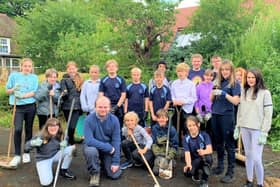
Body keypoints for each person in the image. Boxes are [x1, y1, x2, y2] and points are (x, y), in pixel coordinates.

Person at [234, 69, 273, 187]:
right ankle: (249, 180)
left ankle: (260, 184)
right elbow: (240, 110)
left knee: (256, 158)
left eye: (253, 77)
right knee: (249, 156)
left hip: (257, 130)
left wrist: (264, 132)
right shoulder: (244, 91)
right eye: (248, 77)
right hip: (245, 127)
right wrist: (238, 126)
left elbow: (268, 113)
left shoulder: (265, 93)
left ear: (258, 78)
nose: (250, 80)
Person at [210, 60, 241, 183]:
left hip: (227, 117)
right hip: (215, 114)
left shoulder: (235, 84)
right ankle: (220, 166)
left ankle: (230, 172)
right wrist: (213, 92)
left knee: (229, 145)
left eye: (227, 70)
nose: (224, 72)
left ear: (231, 70)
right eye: (222, 70)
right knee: (218, 143)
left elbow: (236, 101)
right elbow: (211, 99)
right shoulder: (218, 82)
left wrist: (224, 94)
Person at [6, 58, 38, 167]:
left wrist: (22, 95)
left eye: (29, 66)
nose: (27, 68)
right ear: (21, 66)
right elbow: (7, 90)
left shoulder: (34, 77)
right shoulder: (14, 76)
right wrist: (14, 89)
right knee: (18, 129)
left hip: (30, 106)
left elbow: (34, 92)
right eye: (25, 66)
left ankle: (26, 152)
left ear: (31, 67)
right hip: (18, 107)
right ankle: (17, 155)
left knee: (28, 129)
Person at [25, 118, 76, 186]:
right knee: (46, 183)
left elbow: (69, 147)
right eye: (51, 126)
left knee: (72, 149)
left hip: (56, 155)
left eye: (55, 126)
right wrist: (32, 143)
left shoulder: (62, 135)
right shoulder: (40, 135)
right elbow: (26, 146)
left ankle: (63, 170)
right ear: (47, 127)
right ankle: (46, 171)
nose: (53, 128)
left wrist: (65, 143)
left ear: (59, 127)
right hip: (43, 159)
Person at [83, 96, 122, 187]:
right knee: (90, 151)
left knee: (114, 175)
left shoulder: (114, 120)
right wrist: (108, 147)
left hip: (107, 150)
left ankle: (104, 164)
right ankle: (95, 173)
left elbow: (116, 141)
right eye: (100, 107)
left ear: (109, 107)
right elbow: (89, 140)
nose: (103, 109)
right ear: (95, 107)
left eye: (105, 107)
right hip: (95, 147)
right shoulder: (88, 120)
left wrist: (116, 162)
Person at [183, 116, 213, 187]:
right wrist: (188, 164)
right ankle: (196, 172)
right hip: (194, 160)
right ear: (187, 127)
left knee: (208, 158)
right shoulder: (186, 138)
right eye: (189, 126)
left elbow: (210, 150)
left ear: (198, 124)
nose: (192, 127)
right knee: (188, 173)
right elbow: (187, 153)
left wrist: (203, 152)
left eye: (194, 125)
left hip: (203, 158)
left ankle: (204, 180)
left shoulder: (204, 135)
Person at [170, 63, 197, 143]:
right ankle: (176, 145)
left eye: (182, 71)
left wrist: (183, 102)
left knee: (186, 128)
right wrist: (174, 100)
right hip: (176, 108)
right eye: (178, 71)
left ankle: (186, 145)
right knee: (175, 127)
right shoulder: (174, 83)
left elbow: (193, 98)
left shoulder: (191, 84)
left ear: (186, 73)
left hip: (186, 110)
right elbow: (172, 95)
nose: (180, 73)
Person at [60, 61, 84, 145]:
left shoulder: (81, 79)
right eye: (70, 69)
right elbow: (63, 89)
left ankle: (70, 141)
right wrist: (64, 93)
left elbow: (83, 92)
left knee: (72, 126)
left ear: (76, 69)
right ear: (67, 70)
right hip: (67, 107)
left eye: (73, 68)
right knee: (69, 125)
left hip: (77, 106)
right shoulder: (64, 79)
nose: (71, 70)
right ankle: (71, 142)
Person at [99, 59, 126, 128]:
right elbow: (101, 94)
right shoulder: (103, 80)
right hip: (107, 107)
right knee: (106, 126)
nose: (111, 68)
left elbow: (123, 95)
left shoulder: (121, 79)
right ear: (107, 69)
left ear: (117, 68)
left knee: (118, 126)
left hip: (118, 107)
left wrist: (117, 106)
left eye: (113, 66)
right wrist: (105, 106)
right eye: (109, 67)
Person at [151, 109, 178, 176]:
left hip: (168, 153)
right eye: (159, 118)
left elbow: (175, 146)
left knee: (173, 165)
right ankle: (158, 162)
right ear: (157, 119)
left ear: (167, 119)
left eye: (163, 118)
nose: (161, 120)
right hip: (159, 153)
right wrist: (158, 155)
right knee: (155, 172)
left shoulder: (172, 129)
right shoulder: (154, 128)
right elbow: (153, 144)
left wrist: (169, 157)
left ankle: (171, 160)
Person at [195, 69, 214, 134]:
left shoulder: (214, 86)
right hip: (201, 112)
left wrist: (211, 112)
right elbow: (196, 100)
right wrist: (198, 112)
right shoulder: (199, 86)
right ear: (204, 76)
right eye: (207, 75)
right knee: (201, 131)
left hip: (211, 113)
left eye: (211, 76)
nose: (209, 77)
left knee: (210, 131)